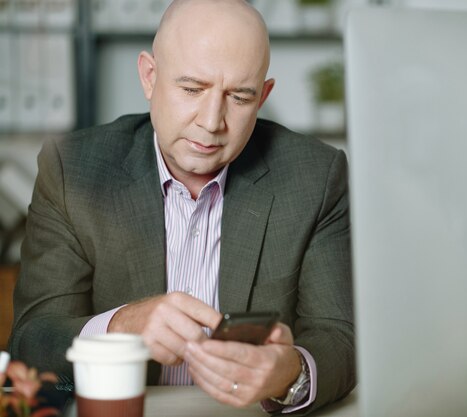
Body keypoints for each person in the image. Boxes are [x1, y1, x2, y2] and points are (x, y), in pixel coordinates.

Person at [8, 0, 355, 414]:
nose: (212, 121)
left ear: (263, 97)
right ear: (149, 77)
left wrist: (290, 372)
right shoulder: (73, 171)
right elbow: (31, 347)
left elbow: (340, 339)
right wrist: (119, 328)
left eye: (239, 97)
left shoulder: (315, 177)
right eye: (192, 89)